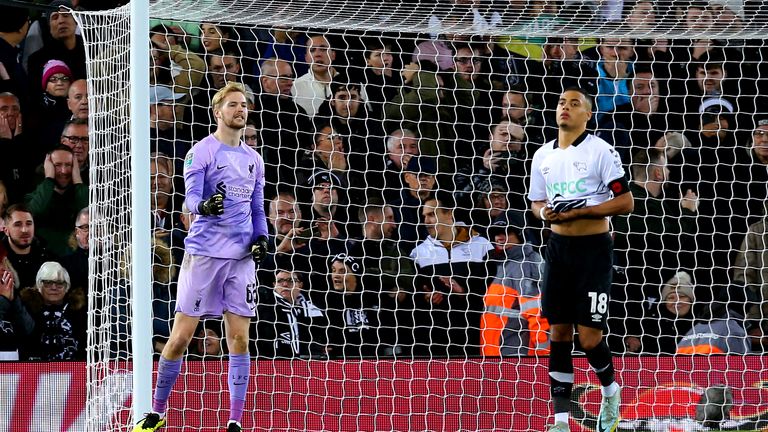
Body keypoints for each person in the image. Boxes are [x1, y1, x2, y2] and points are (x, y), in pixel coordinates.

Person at [133, 82, 268, 432]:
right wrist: (204, 206)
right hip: (204, 255)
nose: (241, 110)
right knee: (180, 337)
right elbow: (190, 197)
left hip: (241, 259)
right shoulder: (201, 152)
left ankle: (235, 420)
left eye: (244, 105)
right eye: (233, 104)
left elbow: (257, 208)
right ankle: (157, 412)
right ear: (217, 111)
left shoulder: (254, 159)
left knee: (239, 338)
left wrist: (262, 238)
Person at [528, 88, 634, 432]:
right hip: (558, 251)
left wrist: (584, 210)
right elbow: (536, 202)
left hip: (593, 251)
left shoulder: (600, 151)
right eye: (561, 102)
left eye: (575, 104)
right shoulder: (542, 155)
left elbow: (626, 202)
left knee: (588, 339)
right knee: (558, 333)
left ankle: (611, 391)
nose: (566, 108)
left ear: (588, 114)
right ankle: (560, 420)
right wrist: (547, 213)